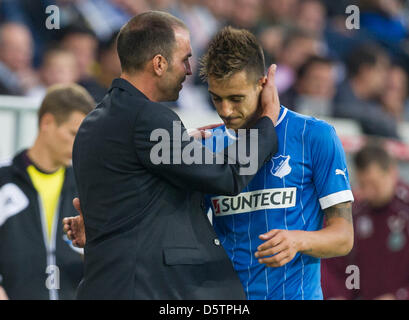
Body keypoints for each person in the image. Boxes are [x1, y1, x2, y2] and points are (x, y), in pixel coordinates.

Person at [65, 25, 353, 300]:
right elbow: (170, 215)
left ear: (263, 83)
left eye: (236, 98)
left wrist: (299, 241)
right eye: (217, 98)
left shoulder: (314, 135)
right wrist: (106, 223)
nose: (226, 111)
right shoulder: (208, 145)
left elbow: (343, 236)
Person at [0, 83, 95, 300]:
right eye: (73, 133)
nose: (79, 145)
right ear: (47, 122)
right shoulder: (3, 179)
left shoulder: (86, 186)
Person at [322, 142, 409, 300]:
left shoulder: (405, 209)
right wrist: (340, 294)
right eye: (363, 184)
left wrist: (399, 296)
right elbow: (342, 265)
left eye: (374, 184)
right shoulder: (356, 212)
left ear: (391, 173)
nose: (368, 192)